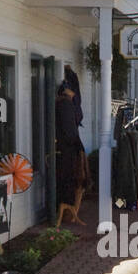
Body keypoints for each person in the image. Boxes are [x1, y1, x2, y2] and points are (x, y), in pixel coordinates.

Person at [55, 80, 88, 227]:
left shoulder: (63, 103)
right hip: (68, 150)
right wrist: (76, 146)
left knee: (69, 180)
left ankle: (69, 211)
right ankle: (68, 211)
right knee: (72, 179)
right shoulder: (65, 104)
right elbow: (70, 131)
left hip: (65, 147)